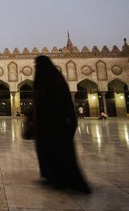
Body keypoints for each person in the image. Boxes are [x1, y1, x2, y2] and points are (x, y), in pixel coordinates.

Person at [31, 55, 91, 193]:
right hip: (46, 126)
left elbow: (62, 104)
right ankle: (51, 176)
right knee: (48, 151)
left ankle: (66, 180)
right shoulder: (49, 80)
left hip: (56, 126)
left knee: (59, 151)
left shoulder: (54, 82)